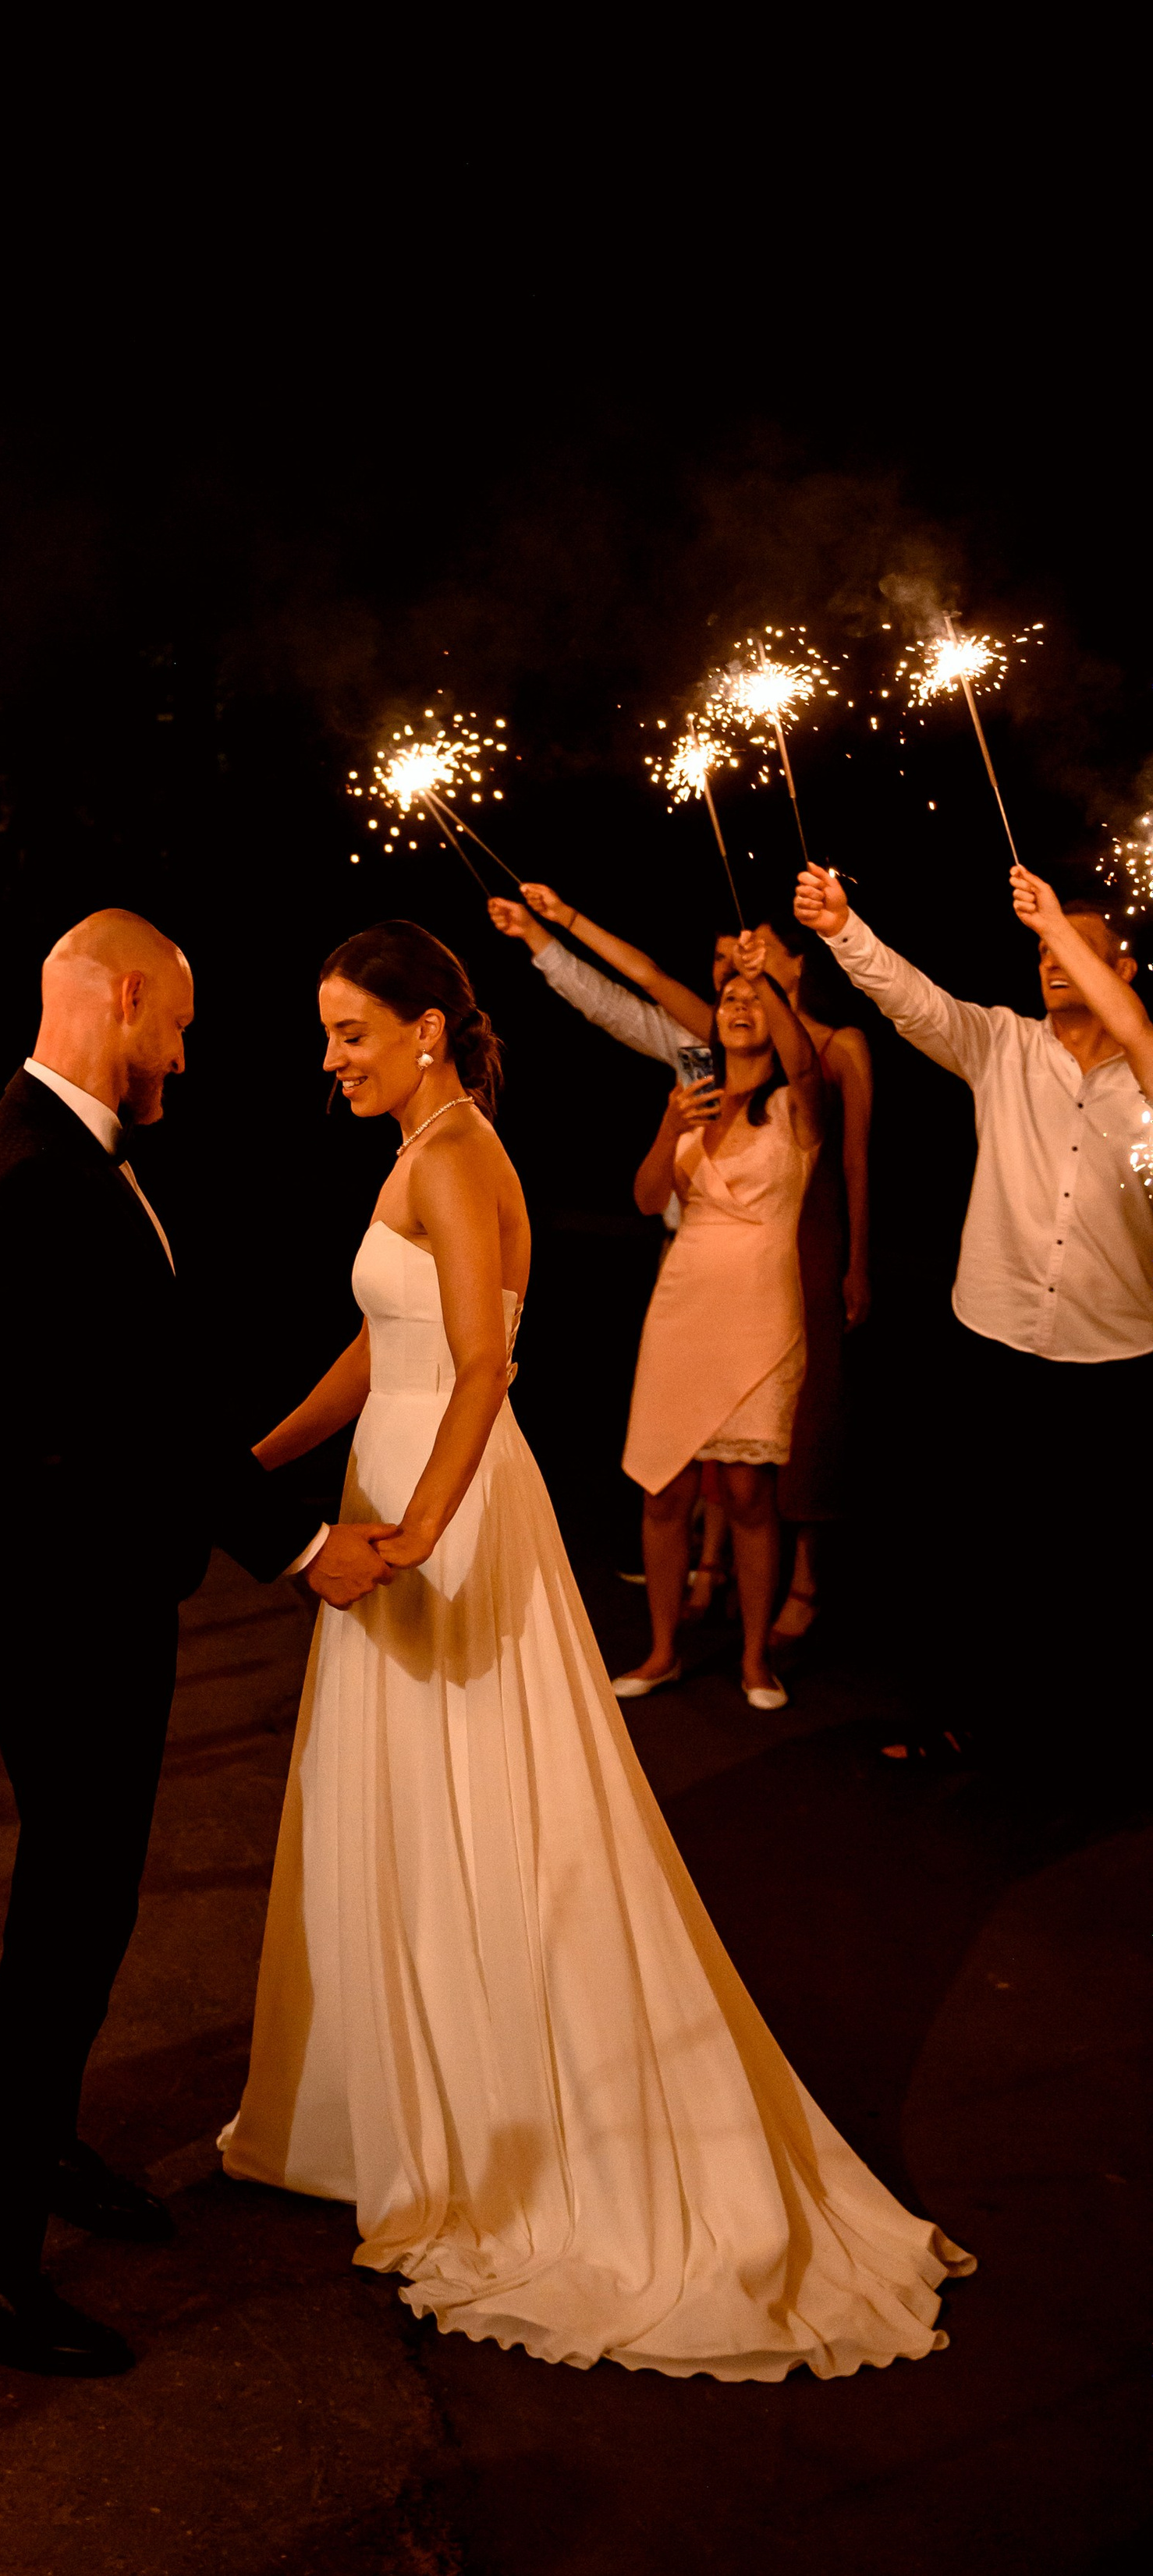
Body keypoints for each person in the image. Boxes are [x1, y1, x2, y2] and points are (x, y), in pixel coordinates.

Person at [222, 918, 972, 2376]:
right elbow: (386, 1346)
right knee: (410, 1803)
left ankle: (490, 2118)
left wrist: (411, 1538)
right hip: (405, 1467)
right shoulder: (431, 1141)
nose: (332, 1057)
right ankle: (396, 2096)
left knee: (481, 1804)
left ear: (425, 1026)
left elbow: (485, 1368)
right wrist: (256, 1461)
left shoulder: (448, 1152)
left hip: (445, 1495)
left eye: (350, 1032)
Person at [0, 910, 398, 2378]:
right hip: (67, 1592)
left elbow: (150, 1387)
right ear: (123, 998)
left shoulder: (54, 1153)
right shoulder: (32, 1178)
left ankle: (45, 2143)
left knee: (92, 1902)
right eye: (176, 1026)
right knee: (73, 1910)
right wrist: (302, 1546)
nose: (182, 1058)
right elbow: (122, 1419)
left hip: (76, 1577)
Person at [795, 859, 1153, 1768]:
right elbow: (913, 1001)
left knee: (1092, 1564)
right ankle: (955, 1719)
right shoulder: (1002, 1045)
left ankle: (1084, 1742)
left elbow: (1140, 1032)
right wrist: (843, 927)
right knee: (974, 1548)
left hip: (1113, 1354)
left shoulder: (1147, 1074)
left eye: (1074, 949)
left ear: (1122, 966)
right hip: (993, 1336)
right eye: (1041, 948)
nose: (1051, 961)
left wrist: (1061, 922)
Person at [488, 882, 871, 1637]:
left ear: (793, 966)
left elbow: (852, 1158)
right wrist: (556, 924)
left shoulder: (825, 1053)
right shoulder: (705, 1052)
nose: (731, 975)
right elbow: (636, 990)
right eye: (727, 970)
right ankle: (703, 1573)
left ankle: (796, 1582)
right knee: (703, 1451)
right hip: (696, 1257)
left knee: (794, 1434)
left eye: (751, 961)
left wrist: (858, 1259)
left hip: (798, 1241)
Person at [613, 937, 825, 1706]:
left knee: (745, 1492)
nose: (739, 1005)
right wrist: (672, 1126)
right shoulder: (690, 1095)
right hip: (682, 1304)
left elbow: (802, 1061)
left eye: (754, 997)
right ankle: (663, 1648)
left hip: (761, 1307)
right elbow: (644, 1199)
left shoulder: (798, 1101)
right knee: (663, 1489)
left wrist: (758, 970)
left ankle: (754, 1659)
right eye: (729, 996)